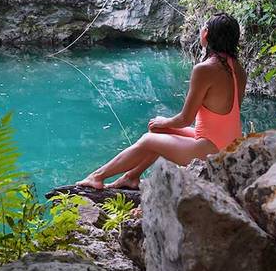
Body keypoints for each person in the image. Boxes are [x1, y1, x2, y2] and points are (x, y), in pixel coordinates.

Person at [77, 13, 245, 190]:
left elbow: (185, 119)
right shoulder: (239, 69)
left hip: (212, 151)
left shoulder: (205, 69)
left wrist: (164, 120)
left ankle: (97, 177)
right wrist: (163, 124)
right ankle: (131, 177)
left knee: (149, 139)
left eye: (203, 28)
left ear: (206, 34)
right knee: (158, 129)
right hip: (229, 146)